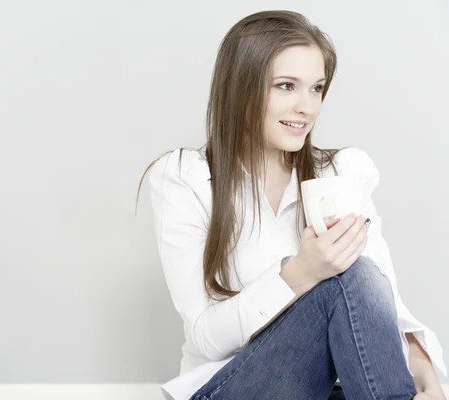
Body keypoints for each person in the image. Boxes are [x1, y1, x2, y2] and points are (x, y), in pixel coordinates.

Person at [136, 10, 447, 400]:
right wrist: (301, 273)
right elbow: (206, 336)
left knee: (360, 274)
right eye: (286, 86)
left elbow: (382, 302)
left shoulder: (341, 171)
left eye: (316, 88)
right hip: (228, 387)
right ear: (240, 88)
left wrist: (428, 381)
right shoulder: (185, 176)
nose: (308, 107)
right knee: (344, 277)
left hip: (325, 387)